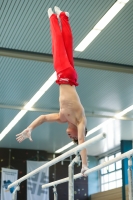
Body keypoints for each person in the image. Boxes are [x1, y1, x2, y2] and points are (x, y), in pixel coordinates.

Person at [16, 6, 88, 175]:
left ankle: (64, 17)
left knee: (67, 46)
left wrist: (30, 128)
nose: (69, 136)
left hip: (71, 78)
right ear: (78, 133)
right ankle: (53, 19)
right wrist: (85, 165)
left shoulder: (62, 118)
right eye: (72, 137)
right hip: (65, 75)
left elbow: (42, 118)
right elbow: (83, 141)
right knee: (57, 46)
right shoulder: (80, 121)